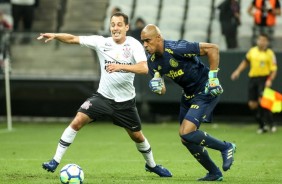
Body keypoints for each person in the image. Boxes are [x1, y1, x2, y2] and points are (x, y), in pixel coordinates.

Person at [37, 12, 172, 177]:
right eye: (113, 24)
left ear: (126, 27)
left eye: (119, 24)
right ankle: (55, 161)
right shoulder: (101, 42)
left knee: (137, 136)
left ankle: (152, 165)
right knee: (77, 121)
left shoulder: (134, 45)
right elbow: (73, 38)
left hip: (125, 103)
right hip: (102, 98)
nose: (115, 28)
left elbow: (144, 68)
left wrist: (119, 66)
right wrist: (56, 35)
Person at [140, 24, 236, 181]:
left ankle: (226, 147)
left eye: (147, 41)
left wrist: (213, 78)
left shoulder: (177, 47)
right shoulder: (151, 61)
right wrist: (156, 86)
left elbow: (213, 49)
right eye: (143, 41)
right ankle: (214, 173)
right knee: (186, 138)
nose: (145, 45)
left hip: (205, 89)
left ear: (158, 38)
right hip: (188, 95)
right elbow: (162, 89)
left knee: (186, 132)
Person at [231, 33, 278, 134]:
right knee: (252, 104)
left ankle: (271, 123)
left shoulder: (270, 53)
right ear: (257, 41)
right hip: (253, 79)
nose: (262, 42)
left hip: (264, 79)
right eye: (260, 40)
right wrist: (237, 71)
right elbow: (245, 62)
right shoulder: (252, 51)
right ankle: (262, 125)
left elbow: (274, 69)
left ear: (267, 42)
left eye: (264, 40)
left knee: (263, 102)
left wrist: (270, 80)